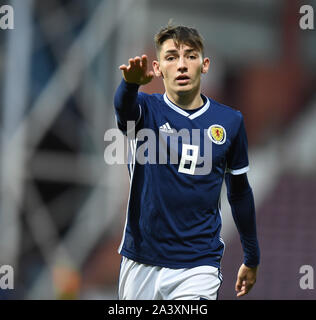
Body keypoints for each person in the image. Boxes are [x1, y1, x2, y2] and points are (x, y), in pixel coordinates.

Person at [113, 23, 260, 300]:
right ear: (157, 68)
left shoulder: (229, 122)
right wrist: (129, 85)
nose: (182, 65)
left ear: (204, 65)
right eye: (171, 57)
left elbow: (240, 192)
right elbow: (124, 112)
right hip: (141, 260)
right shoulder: (146, 109)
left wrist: (251, 257)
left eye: (190, 56)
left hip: (197, 265)